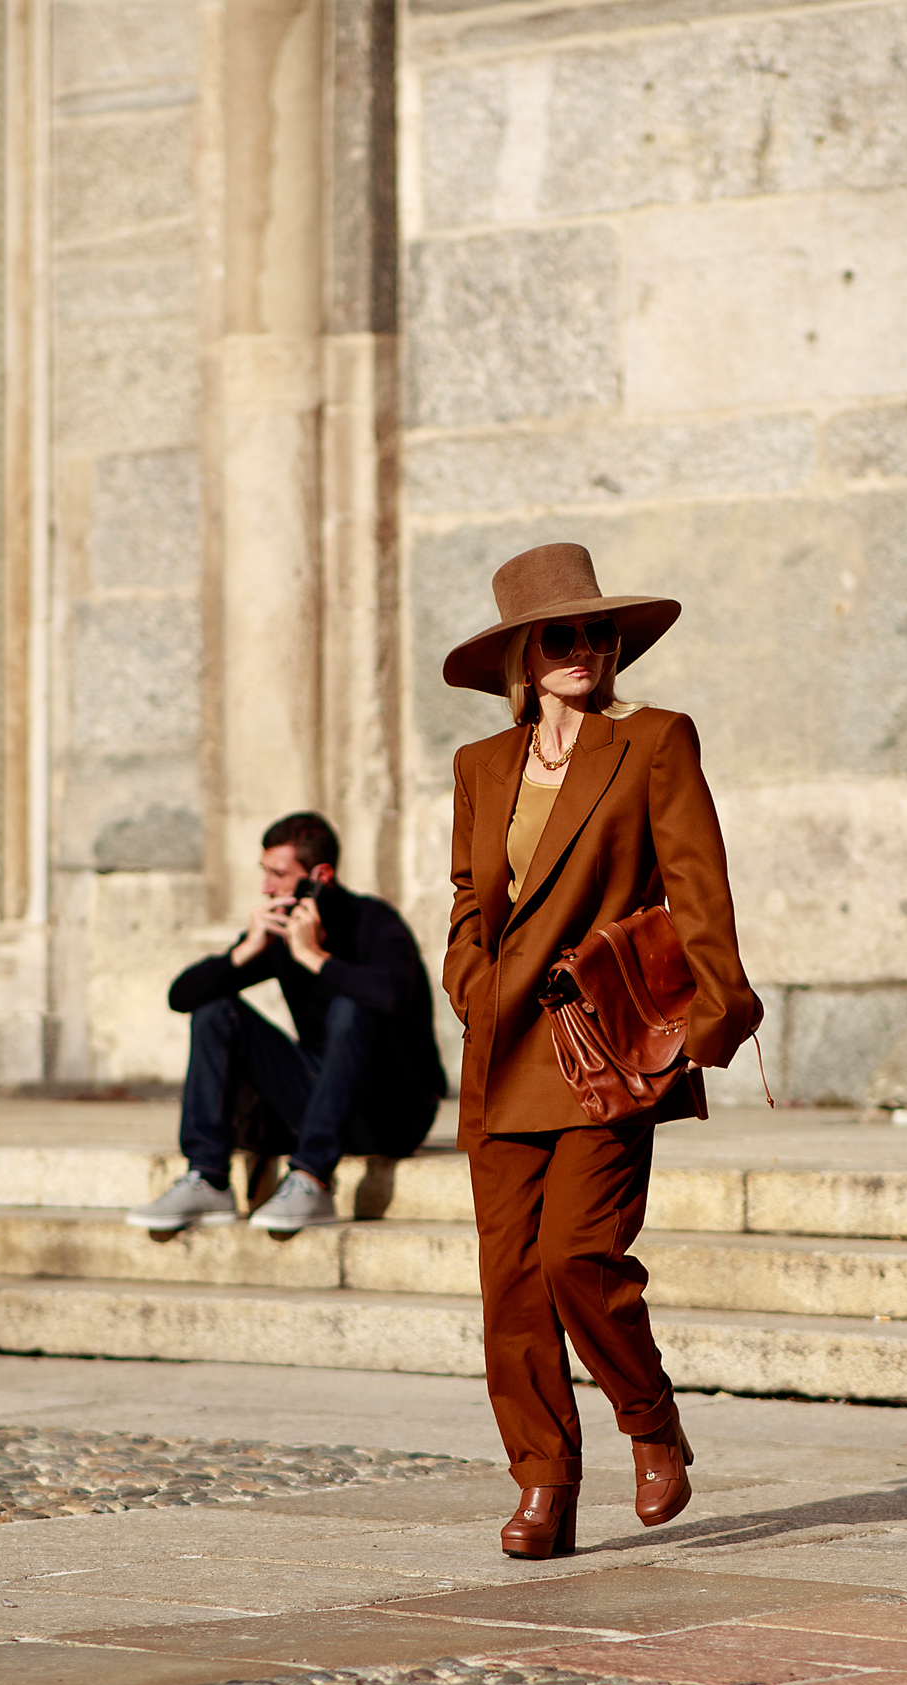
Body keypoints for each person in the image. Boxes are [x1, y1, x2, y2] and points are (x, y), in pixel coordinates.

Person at [439, 543, 762, 1559]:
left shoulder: (656, 740)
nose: (584, 649)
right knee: (512, 1290)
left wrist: (715, 1012)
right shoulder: (481, 765)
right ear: (522, 659)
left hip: (604, 1045)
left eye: (597, 633)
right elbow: (468, 897)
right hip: (502, 1047)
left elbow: (698, 882)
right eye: (560, 637)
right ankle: (544, 1483)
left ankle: (650, 1419)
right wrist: (468, 983)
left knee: (580, 1255)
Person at [131, 812, 445, 1234]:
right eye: (264, 873)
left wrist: (315, 957)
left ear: (320, 875)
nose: (266, 888)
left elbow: (390, 997)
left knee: (351, 1008)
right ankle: (208, 1177)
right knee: (215, 1010)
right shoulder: (282, 934)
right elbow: (181, 997)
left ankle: (313, 1178)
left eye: (278, 874)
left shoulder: (374, 921)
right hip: (321, 1102)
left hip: (390, 1113)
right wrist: (244, 951)